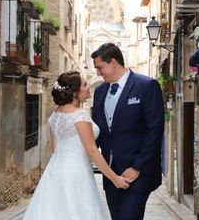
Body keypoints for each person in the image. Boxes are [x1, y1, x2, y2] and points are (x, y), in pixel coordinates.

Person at [22, 71, 130, 220]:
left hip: (55, 172)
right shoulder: (80, 115)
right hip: (76, 174)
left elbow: (52, 145)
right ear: (74, 93)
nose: (88, 87)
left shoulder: (56, 114)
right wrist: (115, 179)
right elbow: (92, 151)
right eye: (85, 85)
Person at [91, 43, 165, 220]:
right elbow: (99, 130)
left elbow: (154, 131)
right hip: (111, 175)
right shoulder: (100, 91)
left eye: (100, 68)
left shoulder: (146, 86)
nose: (98, 73)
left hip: (138, 174)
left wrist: (137, 167)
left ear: (113, 62)